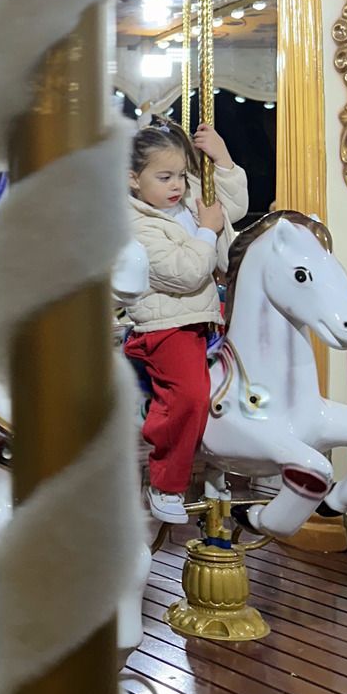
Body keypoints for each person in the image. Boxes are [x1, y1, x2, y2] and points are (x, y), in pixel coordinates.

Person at [120, 119, 248, 523]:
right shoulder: (135, 225)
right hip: (165, 326)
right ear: (133, 180)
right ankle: (165, 484)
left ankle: (218, 465)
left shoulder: (185, 199)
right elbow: (187, 270)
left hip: (205, 317)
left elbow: (232, 208)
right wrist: (207, 232)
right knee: (189, 395)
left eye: (180, 174)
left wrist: (222, 158)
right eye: (164, 177)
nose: (177, 184)